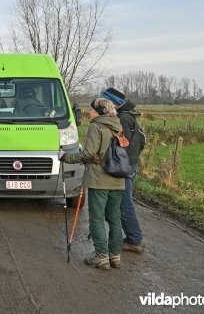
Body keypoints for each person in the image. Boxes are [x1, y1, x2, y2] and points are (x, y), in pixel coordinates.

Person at [60, 97, 125, 270]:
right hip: (118, 179)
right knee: (114, 218)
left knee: (96, 218)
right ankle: (115, 255)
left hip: (99, 179)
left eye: (93, 109)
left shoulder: (96, 127)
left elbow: (87, 154)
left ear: (100, 111)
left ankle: (101, 256)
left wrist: (65, 157)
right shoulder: (118, 127)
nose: (90, 112)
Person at [103, 87, 146, 254]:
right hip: (130, 164)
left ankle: (134, 240)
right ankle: (133, 238)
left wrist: (119, 163)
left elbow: (123, 145)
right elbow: (141, 140)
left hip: (125, 166)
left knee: (124, 203)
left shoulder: (121, 118)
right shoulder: (129, 115)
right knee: (124, 201)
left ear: (113, 103)